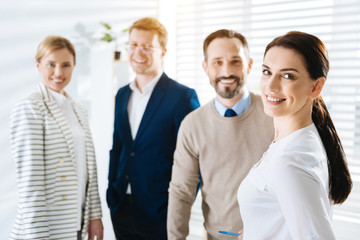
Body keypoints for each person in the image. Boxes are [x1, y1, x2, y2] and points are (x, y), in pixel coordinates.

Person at [237, 31, 353, 240]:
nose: (270, 86)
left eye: (287, 76)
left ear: (316, 87)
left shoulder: (289, 161)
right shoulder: (297, 139)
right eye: (266, 72)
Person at [167, 29, 274, 240]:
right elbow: (181, 192)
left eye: (235, 61)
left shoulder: (275, 115)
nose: (226, 71)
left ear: (249, 65)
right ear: (205, 67)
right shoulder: (192, 125)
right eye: (217, 62)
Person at [106, 17, 200, 240]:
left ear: (163, 52)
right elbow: (118, 147)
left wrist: (176, 210)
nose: (138, 52)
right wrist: (112, 189)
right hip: (121, 207)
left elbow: (196, 161)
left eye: (147, 47)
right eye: (134, 45)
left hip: (161, 214)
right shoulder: (122, 94)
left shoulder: (182, 97)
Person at [9, 36, 103, 240]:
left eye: (66, 65)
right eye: (51, 64)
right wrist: (38, 236)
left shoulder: (78, 109)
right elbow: (30, 182)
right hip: (46, 228)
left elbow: (89, 170)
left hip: (75, 224)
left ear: (73, 67)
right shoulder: (30, 108)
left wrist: (95, 216)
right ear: (38, 65)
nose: (59, 73)